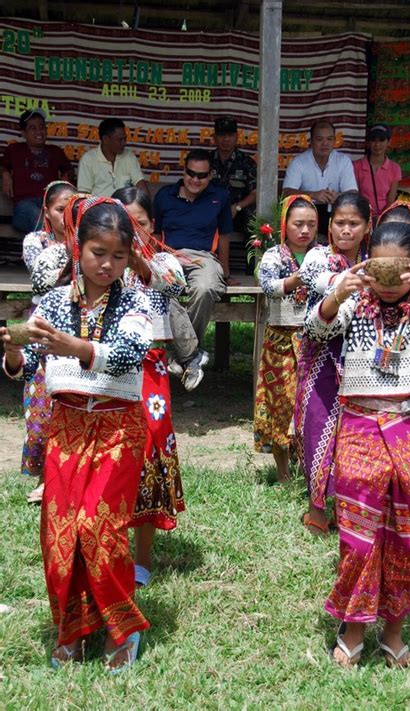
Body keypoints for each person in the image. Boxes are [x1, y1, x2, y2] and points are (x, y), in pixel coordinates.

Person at [305, 221, 410, 668]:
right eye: (379, 268)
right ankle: (354, 627)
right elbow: (314, 331)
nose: (386, 281)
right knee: (359, 533)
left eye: (396, 271)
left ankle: (394, 631)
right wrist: (339, 294)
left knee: (409, 531)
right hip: (360, 422)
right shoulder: (354, 293)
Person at [1, 197, 155, 672]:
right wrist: (11, 352)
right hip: (66, 426)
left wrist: (77, 346)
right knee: (59, 535)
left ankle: (122, 631)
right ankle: (72, 629)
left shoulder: (136, 300)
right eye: (97, 252)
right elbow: (29, 366)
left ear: (130, 257)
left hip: (116, 426)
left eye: (118, 255)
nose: (106, 264)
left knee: (100, 528)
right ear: (77, 248)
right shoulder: (50, 302)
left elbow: (130, 352)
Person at [112, 186, 186, 587]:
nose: (131, 230)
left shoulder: (162, 260)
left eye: (138, 222)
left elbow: (175, 286)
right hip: (107, 370)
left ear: (150, 224)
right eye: (124, 223)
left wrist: (136, 255)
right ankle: (109, 547)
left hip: (151, 367)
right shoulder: (101, 262)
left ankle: (142, 556)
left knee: (151, 449)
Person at [295, 191, 371, 534]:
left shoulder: (375, 262)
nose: (346, 230)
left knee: (353, 433)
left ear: (367, 227)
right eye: (340, 222)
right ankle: (317, 507)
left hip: (360, 359)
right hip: (321, 354)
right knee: (317, 426)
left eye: (354, 223)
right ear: (330, 225)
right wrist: (345, 284)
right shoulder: (318, 257)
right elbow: (318, 279)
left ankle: (348, 503)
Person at [153, 148, 233, 390]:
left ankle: (183, 355)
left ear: (210, 176)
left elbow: (226, 237)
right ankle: (192, 355)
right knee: (158, 289)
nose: (195, 180)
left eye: (202, 175)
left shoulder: (220, 196)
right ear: (183, 170)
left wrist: (226, 273)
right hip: (168, 255)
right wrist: (157, 260)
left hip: (203, 258)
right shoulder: (164, 196)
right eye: (191, 174)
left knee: (206, 287)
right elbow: (155, 234)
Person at [254, 195, 318, 483]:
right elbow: (267, 286)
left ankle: (308, 467)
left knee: (309, 402)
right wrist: (297, 280)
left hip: (313, 340)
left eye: (311, 225)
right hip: (280, 340)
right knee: (280, 403)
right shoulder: (273, 255)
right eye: (298, 224)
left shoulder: (322, 255)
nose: (305, 230)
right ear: (285, 226)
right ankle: (282, 473)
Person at [21, 180, 78, 504]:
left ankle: (66, 477)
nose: (65, 215)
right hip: (41, 327)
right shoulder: (36, 242)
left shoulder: (87, 240)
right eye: (60, 209)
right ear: (47, 211)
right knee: (41, 409)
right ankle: (44, 479)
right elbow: (43, 275)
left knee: (68, 404)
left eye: (72, 209)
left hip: (74, 329)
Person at [0, 109, 73, 233]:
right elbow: (1, 165)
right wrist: (5, 174)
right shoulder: (14, 150)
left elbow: (69, 169)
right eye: (33, 128)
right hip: (24, 207)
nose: (39, 131)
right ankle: (54, 246)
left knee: (62, 216)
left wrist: (66, 176)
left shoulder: (55, 151)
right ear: (23, 133)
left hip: (49, 204)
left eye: (41, 127)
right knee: (38, 217)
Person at [282, 119, 357, 239]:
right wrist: (313, 195)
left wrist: (338, 197)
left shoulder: (343, 161)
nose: (325, 143)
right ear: (310, 141)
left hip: (335, 212)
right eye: (319, 139)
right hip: (305, 214)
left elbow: (353, 193)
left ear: (334, 141)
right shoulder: (299, 161)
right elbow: (286, 192)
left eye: (329, 139)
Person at [210, 116, 257, 284]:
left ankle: (253, 271)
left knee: (255, 219)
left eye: (230, 135)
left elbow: (255, 192)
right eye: (222, 135)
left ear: (237, 137)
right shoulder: (207, 160)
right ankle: (213, 272)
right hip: (213, 212)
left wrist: (237, 207)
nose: (226, 139)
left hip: (238, 212)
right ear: (214, 137)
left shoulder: (246, 162)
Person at [77, 117, 148, 198]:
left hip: (124, 208)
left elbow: (140, 184)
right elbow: (83, 194)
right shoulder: (88, 159)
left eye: (125, 139)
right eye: (120, 140)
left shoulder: (129, 156)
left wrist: (145, 206)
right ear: (105, 139)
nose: (124, 143)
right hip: (99, 209)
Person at [353, 124, 402, 219]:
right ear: (368, 143)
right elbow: (355, 196)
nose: (377, 144)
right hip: (361, 216)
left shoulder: (395, 168)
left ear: (389, 142)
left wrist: (382, 219)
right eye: (373, 140)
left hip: (385, 217)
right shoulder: (356, 166)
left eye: (381, 140)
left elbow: (390, 201)